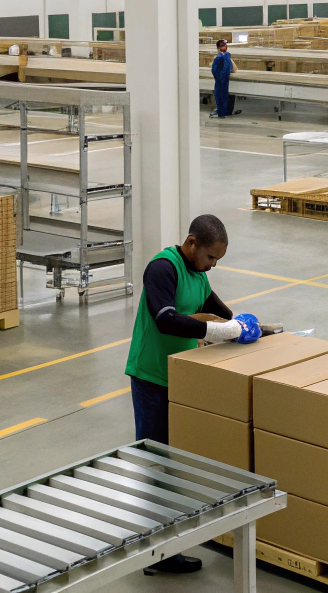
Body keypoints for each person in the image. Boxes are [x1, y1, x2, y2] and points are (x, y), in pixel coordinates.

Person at [124, 214, 260, 575]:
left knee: (172, 462)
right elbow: (165, 319)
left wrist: (241, 325)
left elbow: (215, 307)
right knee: (156, 464)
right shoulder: (162, 268)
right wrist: (220, 332)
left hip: (180, 377)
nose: (213, 265)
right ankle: (155, 554)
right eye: (211, 257)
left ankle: (166, 542)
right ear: (192, 243)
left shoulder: (198, 273)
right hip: (152, 377)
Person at [210, 39, 239, 118]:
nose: (225, 46)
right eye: (222, 45)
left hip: (226, 80)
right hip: (221, 81)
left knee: (228, 96)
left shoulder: (227, 56)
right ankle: (222, 112)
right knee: (221, 96)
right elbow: (215, 70)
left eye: (225, 45)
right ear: (219, 47)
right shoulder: (218, 58)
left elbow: (232, 68)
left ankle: (227, 111)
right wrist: (220, 78)